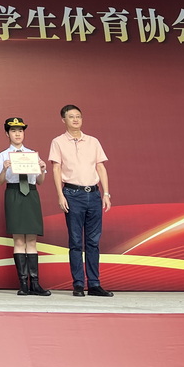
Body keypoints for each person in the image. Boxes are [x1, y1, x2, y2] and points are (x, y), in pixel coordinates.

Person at [48, 104, 113, 297]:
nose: (76, 119)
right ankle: (78, 284)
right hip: (72, 194)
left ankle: (94, 284)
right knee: (76, 241)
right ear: (63, 120)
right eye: (71, 117)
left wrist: (106, 193)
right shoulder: (58, 142)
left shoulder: (93, 141)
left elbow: (100, 167)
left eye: (78, 116)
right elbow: (56, 169)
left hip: (93, 194)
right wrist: (60, 195)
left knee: (93, 241)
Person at [0, 116, 49, 296]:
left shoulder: (32, 154)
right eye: (13, 131)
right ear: (7, 134)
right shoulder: (3, 155)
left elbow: (40, 181)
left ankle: (35, 284)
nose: (17, 134)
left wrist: (42, 168)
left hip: (31, 194)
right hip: (14, 193)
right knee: (18, 240)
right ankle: (23, 284)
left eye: (20, 131)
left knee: (31, 240)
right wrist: (4, 168)